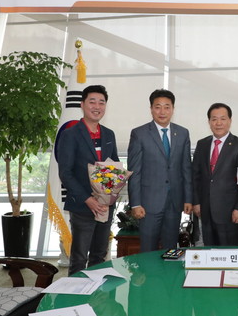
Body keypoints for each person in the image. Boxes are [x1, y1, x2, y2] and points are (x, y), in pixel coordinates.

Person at [58, 85, 119, 275]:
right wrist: (88, 199)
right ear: (82, 104)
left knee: (99, 256)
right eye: (92, 102)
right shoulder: (70, 134)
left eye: (102, 102)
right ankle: (75, 293)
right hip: (82, 206)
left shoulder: (109, 134)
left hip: (104, 206)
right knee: (79, 258)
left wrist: (108, 197)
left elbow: (114, 168)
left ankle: (96, 291)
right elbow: (65, 173)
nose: (97, 106)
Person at [127, 89, 193, 252]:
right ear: (151, 109)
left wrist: (188, 199)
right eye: (158, 107)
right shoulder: (139, 134)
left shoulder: (182, 133)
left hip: (174, 202)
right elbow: (134, 171)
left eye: (167, 107)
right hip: (148, 204)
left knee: (171, 249)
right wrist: (135, 203)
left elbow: (186, 168)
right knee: (148, 249)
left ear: (173, 109)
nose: (162, 111)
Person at [192, 103, 238, 246]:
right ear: (209, 122)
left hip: (230, 212)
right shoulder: (202, 144)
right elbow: (195, 176)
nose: (218, 123)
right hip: (205, 211)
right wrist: (196, 202)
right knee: (209, 254)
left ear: (230, 121)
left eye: (223, 119)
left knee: (231, 253)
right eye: (214, 119)